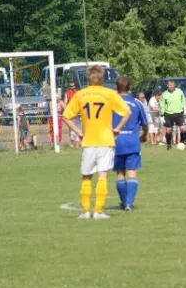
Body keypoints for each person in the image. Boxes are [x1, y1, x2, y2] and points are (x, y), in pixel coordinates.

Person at [62, 65, 131, 220]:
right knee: (102, 176)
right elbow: (127, 112)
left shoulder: (80, 95)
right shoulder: (109, 94)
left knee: (86, 177)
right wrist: (117, 129)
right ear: (102, 77)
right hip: (106, 140)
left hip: (88, 141)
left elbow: (66, 116)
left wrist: (78, 132)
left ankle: (86, 211)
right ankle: (98, 212)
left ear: (88, 78)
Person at [112, 78, 148, 211]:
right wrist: (144, 135)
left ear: (116, 87)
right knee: (132, 171)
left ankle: (124, 202)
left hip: (116, 142)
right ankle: (129, 203)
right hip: (132, 141)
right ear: (130, 87)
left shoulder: (111, 103)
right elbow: (145, 123)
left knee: (120, 173)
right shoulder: (137, 103)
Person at [160, 79, 186, 150]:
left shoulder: (179, 91)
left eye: (172, 85)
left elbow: (183, 99)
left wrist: (184, 107)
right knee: (168, 130)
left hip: (179, 113)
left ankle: (182, 143)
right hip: (168, 114)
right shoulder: (164, 94)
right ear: (167, 86)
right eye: (170, 85)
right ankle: (169, 144)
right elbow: (162, 105)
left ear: (174, 85)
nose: (171, 86)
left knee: (183, 128)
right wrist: (162, 115)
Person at [65, 80, 81, 148]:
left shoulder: (78, 93)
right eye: (71, 86)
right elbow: (65, 103)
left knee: (78, 128)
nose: (72, 87)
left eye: (73, 86)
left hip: (78, 114)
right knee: (72, 129)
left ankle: (77, 144)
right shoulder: (67, 93)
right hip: (71, 114)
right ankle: (72, 144)